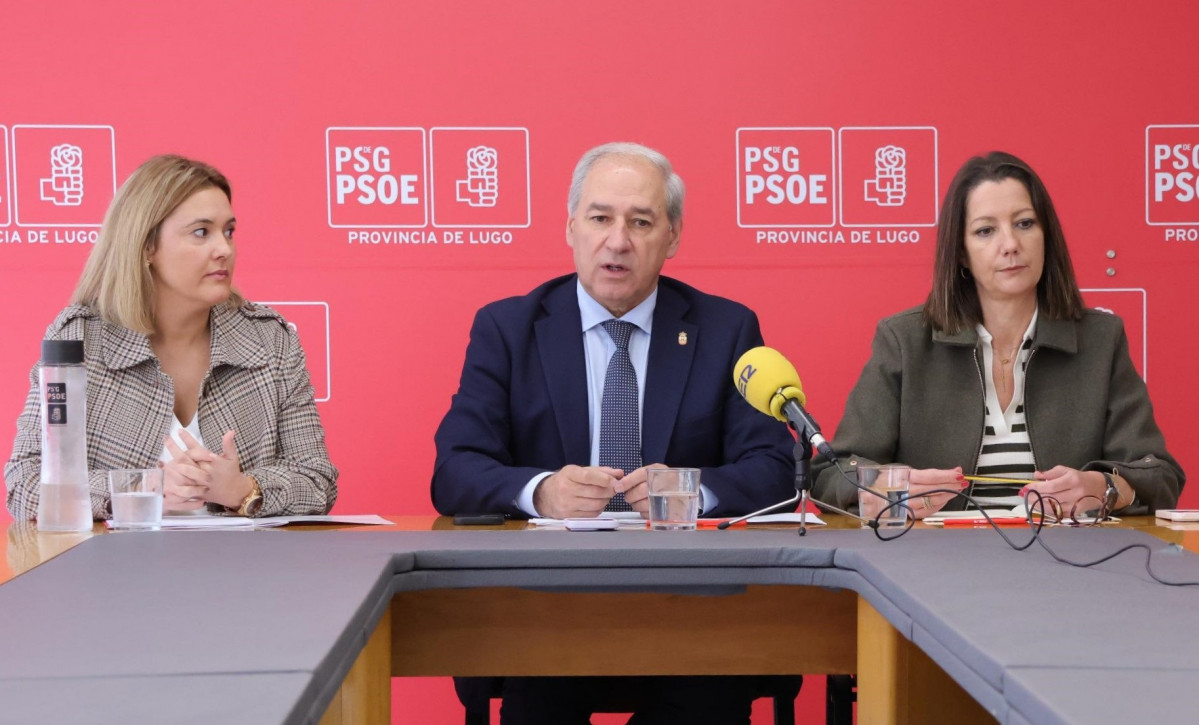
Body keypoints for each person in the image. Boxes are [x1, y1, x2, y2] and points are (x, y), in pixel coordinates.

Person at [431, 142, 795, 724]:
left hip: (691, 607)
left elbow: (776, 469)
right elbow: (455, 469)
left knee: (711, 700)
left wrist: (689, 490)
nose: (618, 240)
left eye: (641, 222)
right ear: (571, 227)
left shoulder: (727, 329)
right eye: (600, 218)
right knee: (537, 704)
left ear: (671, 237)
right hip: (549, 607)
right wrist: (541, 491)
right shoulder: (508, 328)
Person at [813, 151, 1184, 519]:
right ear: (961, 252)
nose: (1010, 244)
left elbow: (1159, 475)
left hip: (1072, 566)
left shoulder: (1100, 339)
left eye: (1024, 223)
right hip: (935, 566)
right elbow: (831, 473)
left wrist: (1106, 488)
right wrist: (883, 489)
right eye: (986, 230)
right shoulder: (904, 342)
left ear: (1046, 235)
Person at [5, 154, 337, 520]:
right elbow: (26, 485)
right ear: (147, 246)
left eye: (229, 231)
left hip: (246, 572)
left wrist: (242, 489)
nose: (224, 249)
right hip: (116, 574)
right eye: (201, 232)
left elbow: (317, 479)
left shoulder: (270, 341)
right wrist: (145, 489)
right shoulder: (81, 340)